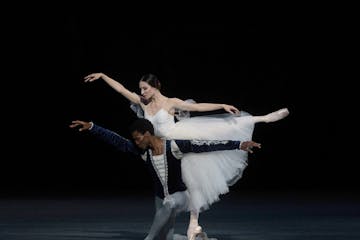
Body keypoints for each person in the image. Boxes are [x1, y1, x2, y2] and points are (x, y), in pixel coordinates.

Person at [83, 72, 289, 239]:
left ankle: (261, 119)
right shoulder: (143, 102)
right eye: (140, 89)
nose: (142, 92)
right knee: (172, 189)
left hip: (175, 142)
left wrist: (221, 105)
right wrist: (102, 76)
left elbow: (196, 107)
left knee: (198, 172)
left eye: (145, 88)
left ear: (156, 86)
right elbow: (121, 89)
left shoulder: (170, 102)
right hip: (156, 147)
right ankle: (180, 228)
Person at [69, 118, 261, 240]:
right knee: (167, 237)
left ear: (147, 135)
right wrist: (93, 127)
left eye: (137, 138)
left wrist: (239, 144)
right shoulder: (143, 152)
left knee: (169, 204)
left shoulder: (174, 146)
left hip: (180, 196)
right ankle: (200, 239)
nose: (136, 142)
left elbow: (206, 144)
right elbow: (117, 140)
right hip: (160, 198)